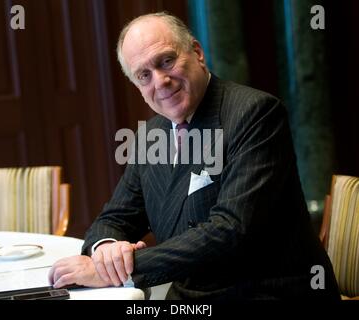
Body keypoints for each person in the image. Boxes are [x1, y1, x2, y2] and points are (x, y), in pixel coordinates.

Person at [48, 12, 340, 300]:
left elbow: (230, 230)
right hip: (191, 296)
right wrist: (105, 250)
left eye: (166, 61)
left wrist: (122, 270)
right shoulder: (152, 134)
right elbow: (115, 217)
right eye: (144, 75)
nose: (160, 81)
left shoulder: (255, 114)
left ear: (197, 52)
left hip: (265, 292)